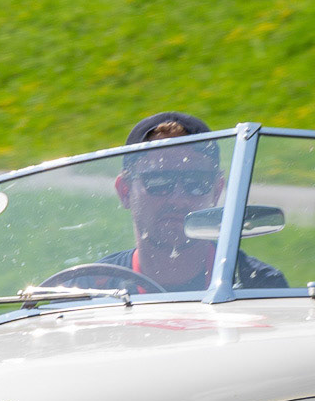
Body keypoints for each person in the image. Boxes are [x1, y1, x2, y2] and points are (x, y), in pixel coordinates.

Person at [97, 112, 285, 292]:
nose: (178, 200)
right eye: (159, 182)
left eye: (196, 183)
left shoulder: (261, 286)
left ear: (216, 191)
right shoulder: (91, 287)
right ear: (125, 191)